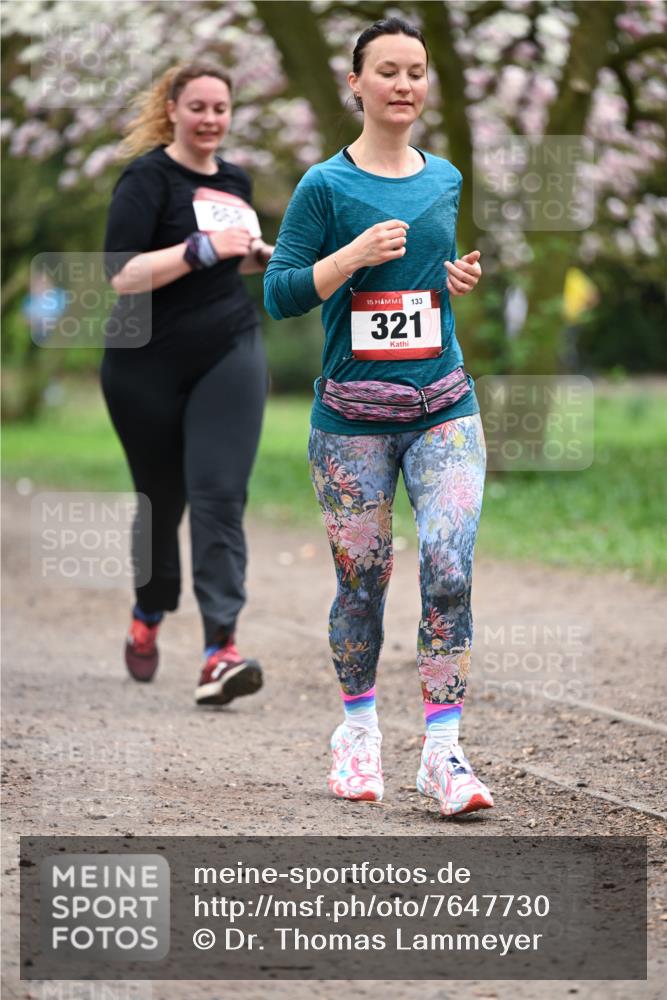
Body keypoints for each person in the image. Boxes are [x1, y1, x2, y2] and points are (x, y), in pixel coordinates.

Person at [264, 19, 493, 816]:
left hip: (443, 407)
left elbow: (426, 280)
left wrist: (454, 276)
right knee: (363, 583)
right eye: (387, 71)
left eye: (416, 72)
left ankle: (442, 754)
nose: (403, 85)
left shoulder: (446, 178)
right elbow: (280, 292)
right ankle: (357, 733)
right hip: (350, 423)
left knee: (448, 566)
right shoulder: (323, 187)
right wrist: (348, 258)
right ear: (354, 83)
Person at [102, 62, 273, 707]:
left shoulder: (235, 180)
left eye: (220, 108)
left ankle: (219, 651)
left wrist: (256, 255)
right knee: (160, 500)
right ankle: (148, 613)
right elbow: (120, 275)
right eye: (197, 106)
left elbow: (237, 253)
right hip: (142, 363)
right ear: (172, 108)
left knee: (219, 496)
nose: (210, 119)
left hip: (227, 347)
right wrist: (200, 249)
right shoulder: (147, 180)